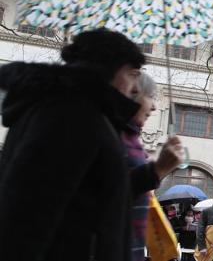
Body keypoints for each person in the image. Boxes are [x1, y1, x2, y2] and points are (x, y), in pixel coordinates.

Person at [0, 28, 145, 261]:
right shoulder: (71, 115)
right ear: (109, 68)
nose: (136, 88)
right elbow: (28, 216)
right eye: (132, 74)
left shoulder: (79, 112)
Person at [123, 72, 183, 261]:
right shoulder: (109, 134)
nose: (154, 106)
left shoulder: (130, 137)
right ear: (131, 91)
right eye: (150, 96)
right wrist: (157, 170)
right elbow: (107, 192)